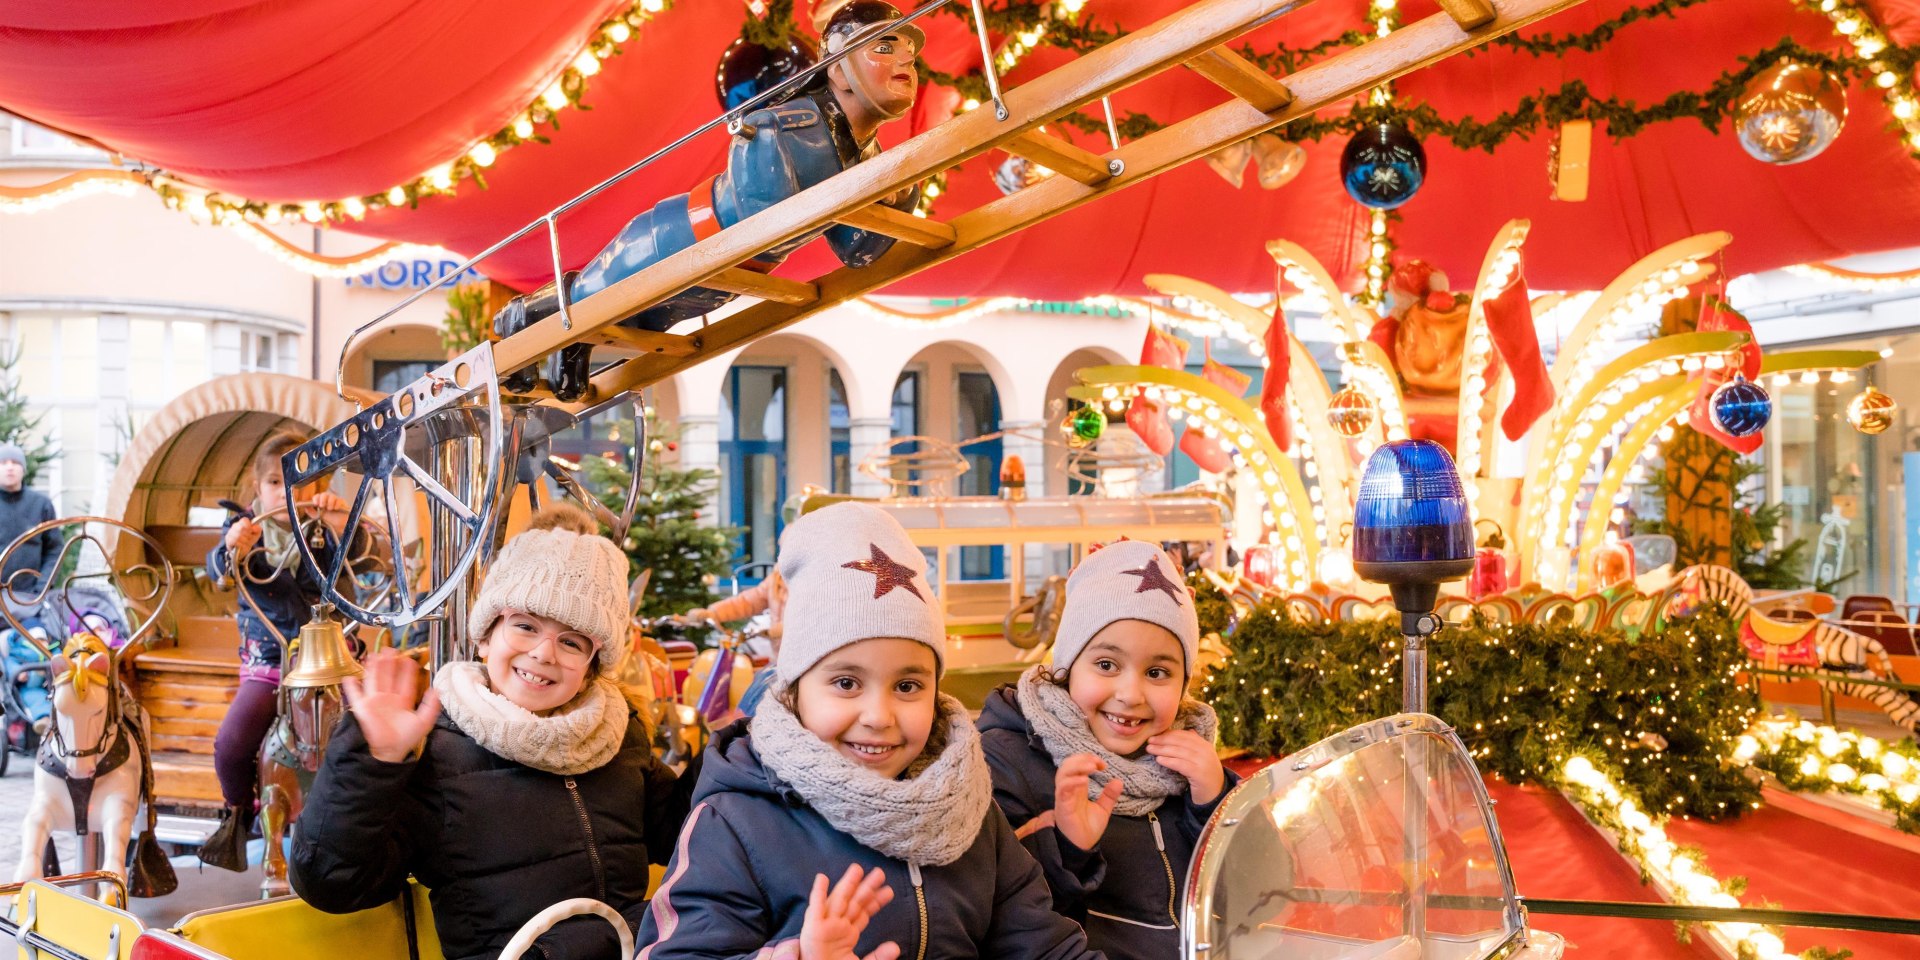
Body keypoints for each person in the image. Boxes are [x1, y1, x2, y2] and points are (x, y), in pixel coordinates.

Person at [636, 502, 1102, 960]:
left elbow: (1044, 945)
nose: (878, 715)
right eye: (846, 683)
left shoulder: (969, 809)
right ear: (796, 690)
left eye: (907, 685)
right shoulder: (734, 822)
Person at [292, 505, 692, 960]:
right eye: (525, 626)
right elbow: (333, 884)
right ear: (486, 636)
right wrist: (372, 762)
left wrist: (735, 748)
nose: (544, 653)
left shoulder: (618, 735)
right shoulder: (439, 752)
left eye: (571, 641)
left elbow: (675, 834)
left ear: (590, 666)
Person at [491, 1, 926, 400]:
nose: (907, 57)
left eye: (909, 48)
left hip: (734, 273)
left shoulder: (869, 157)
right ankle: (522, 317)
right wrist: (864, 188)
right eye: (885, 45)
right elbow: (763, 217)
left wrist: (903, 195)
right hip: (678, 236)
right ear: (837, 68)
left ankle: (572, 347)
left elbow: (855, 252)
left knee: (644, 322)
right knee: (595, 294)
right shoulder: (777, 125)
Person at [978, 540, 1236, 960]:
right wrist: (1068, 846)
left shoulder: (1188, 758)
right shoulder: (1008, 762)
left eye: (1157, 672)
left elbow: (1258, 887)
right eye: (1106, 665)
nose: (1130, 694)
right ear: (1067, 665)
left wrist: (1216, 800)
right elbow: (1006, 922)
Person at [199, 432, 357, 869]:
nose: (290, 492)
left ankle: (360, 815)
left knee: (361, 733)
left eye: (303, 482)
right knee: (231, 745)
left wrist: (346, 528)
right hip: (270, 660)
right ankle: (239, 816)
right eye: (276, 482)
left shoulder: (325, 529)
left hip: (328, 659)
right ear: (257, 489)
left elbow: (362, 562)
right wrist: (231, 548)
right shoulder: (243, 528)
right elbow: (217, 570)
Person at [685, 570, 784, 717]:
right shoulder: (778, 575)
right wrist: (713, 613)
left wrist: (780, 629)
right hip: (781, 662)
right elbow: (749, 600)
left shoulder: (817, 572)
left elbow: (816, 613)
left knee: (762, 702)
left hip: (806, 662)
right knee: (755, 692)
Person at [0, 442, 61, 626]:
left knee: (36, 642)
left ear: (23, 469)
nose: (10, 467)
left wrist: (41, 589)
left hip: (31, 600)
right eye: (3, 462)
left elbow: (54, 550)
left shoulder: (41, 504)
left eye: (15, 462)